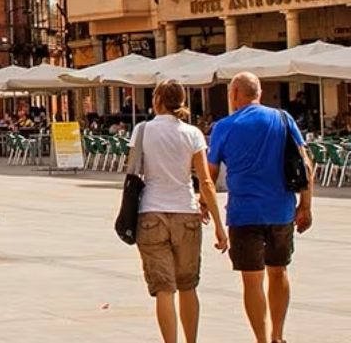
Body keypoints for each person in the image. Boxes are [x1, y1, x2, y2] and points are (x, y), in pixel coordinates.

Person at [208, 72, 313, 343]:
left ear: (233, 94)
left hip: (243, 213)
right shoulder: (283, 118)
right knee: (279, 271)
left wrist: (204, 203)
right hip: (281, 210)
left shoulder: (223, 126)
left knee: (251, 279)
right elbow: (306, 166)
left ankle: (262, 340)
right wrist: (306, 206)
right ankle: (278, 336)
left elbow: (209, 173)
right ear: (259, 93)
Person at [129, 79, 227, 343]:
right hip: (186, 212)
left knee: (164, 289)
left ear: (157, 100)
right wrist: (219, 225)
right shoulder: (193, 133)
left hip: (151, 213)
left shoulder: (142, 130)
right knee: (188, 285)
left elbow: (130, 173)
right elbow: (206, 181)